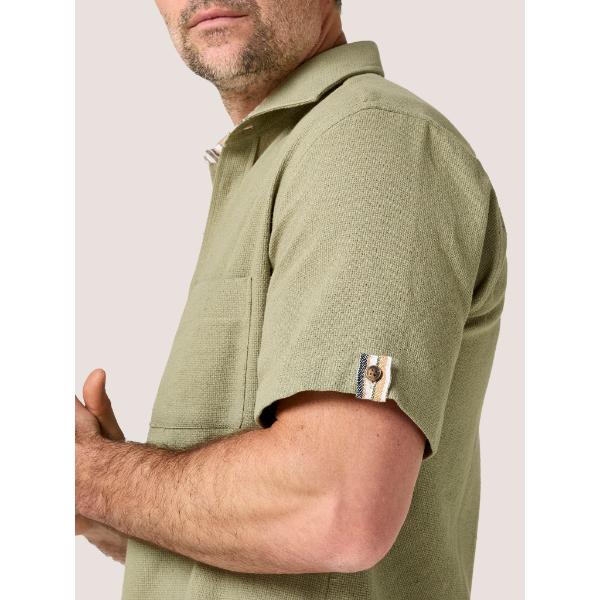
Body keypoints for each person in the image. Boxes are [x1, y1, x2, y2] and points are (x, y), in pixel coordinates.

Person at [75, 1, 508, 599]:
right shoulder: (287, 152)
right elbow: (301, 545)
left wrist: (97, 475)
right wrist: (122, 512)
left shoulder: (367, 141)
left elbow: (336, 507)